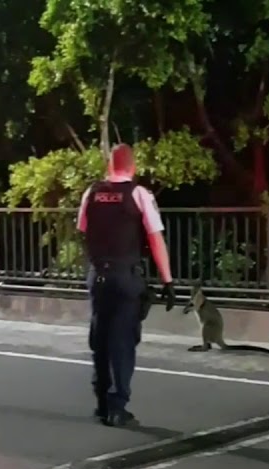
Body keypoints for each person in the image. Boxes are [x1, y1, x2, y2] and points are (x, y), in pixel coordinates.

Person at [76, 143, 176, 427]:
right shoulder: (139, 194)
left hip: (98, 276)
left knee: (100, 339)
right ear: (133, 167)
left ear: (109, 165)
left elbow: (83, 230)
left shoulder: (91, 193)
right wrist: (167, 280)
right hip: (125, 277)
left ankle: (101, 404)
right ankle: (117, 407)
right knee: (122, 341)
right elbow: (156, 239)